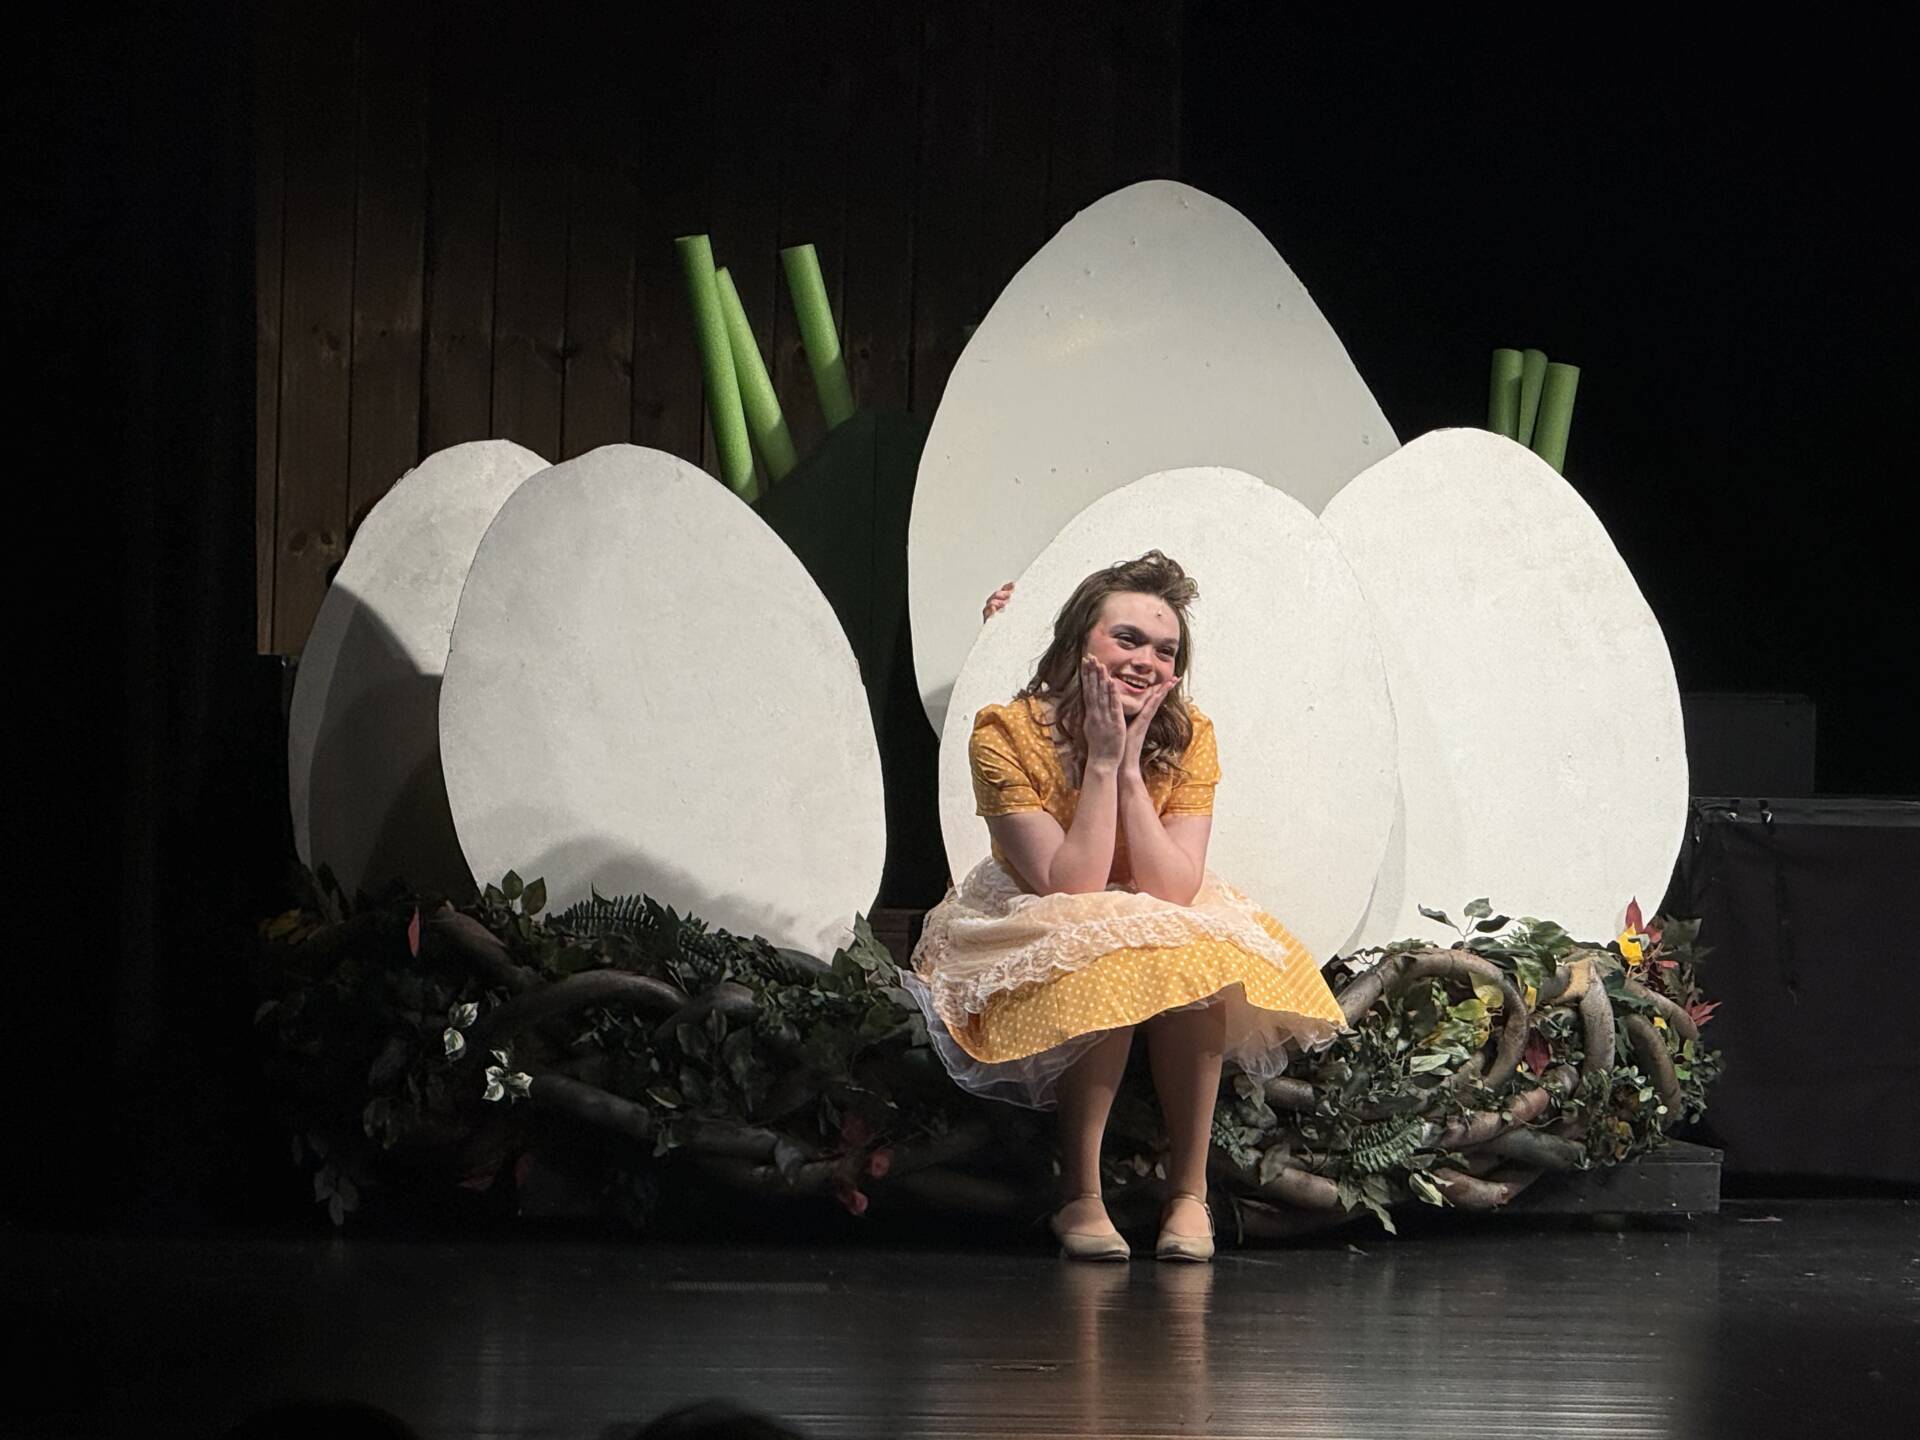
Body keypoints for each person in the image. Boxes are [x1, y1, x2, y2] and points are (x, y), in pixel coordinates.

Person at [901, 552, 1350, 1262]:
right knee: (1102, 947)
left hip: (1142, 898)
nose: (1145, 660)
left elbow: (1171, 886)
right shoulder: (1006, 733)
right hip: (1037, 909)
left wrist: (1134, 768)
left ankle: (1188, 1196)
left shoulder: (1189, 734)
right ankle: (1080, 1197)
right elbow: (1070, 884)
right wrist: (1103, 762)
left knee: (1191, 957)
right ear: (1081, 642)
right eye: (1127, 640)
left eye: (1164, 649)